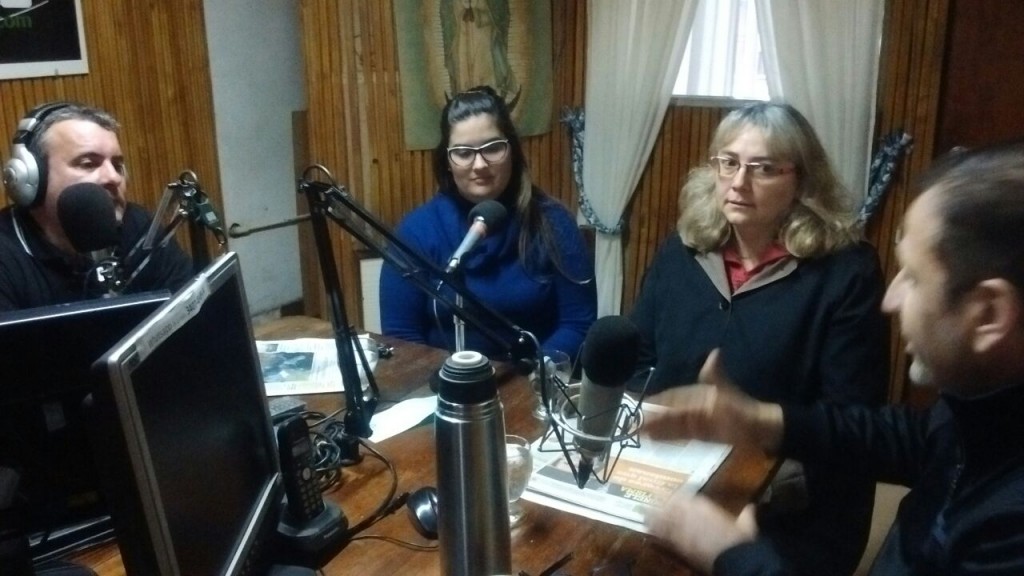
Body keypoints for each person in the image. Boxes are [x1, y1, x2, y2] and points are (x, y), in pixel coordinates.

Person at [645, 139, 1024, 575]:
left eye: (914, 278)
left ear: (989, 314)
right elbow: (913, 438)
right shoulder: (986, 405)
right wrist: (760, 420)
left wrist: (729, 553)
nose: (891, 300)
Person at [629, 103, 889, 574]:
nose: (738, 182)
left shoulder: (846, 273)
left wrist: (758, 490)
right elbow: (639, 358)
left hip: (790, 501)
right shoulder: (682, 250)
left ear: (802, 182)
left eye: (764, 168)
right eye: (728, 162)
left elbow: (851, 423)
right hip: (671, 473)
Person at [379, 86, 596, 361]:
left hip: (533, 378)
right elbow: (401, 336)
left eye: (493, 148)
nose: (480, 164)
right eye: (463, 153)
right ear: (447, 161)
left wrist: (532, 375)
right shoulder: (416, 233)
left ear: (512, 151)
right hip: (442, 382)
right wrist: (451, 380)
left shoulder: (553, 223)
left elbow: (578, 323)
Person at [0, 102, 193, 311]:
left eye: (117, 165)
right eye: (88, 163)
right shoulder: (6, 255)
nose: (114, 177)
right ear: (31, 179)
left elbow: (191, 312)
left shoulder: (139, 229)